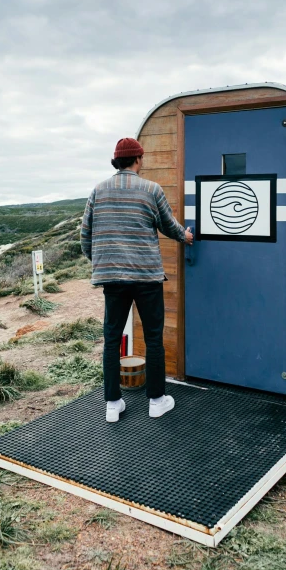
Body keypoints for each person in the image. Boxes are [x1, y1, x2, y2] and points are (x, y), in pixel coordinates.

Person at [81, 137, 193, 423]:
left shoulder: (98, 190)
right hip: (146, 277)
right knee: (153, 338)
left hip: (112, 278)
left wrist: (101, 263)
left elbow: (85, 235)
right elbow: (168, 225)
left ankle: (112, 404)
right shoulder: (151, 189)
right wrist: (186, 236)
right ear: (138, 160)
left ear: (116, 162)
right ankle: (156, 400)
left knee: (111, 340)